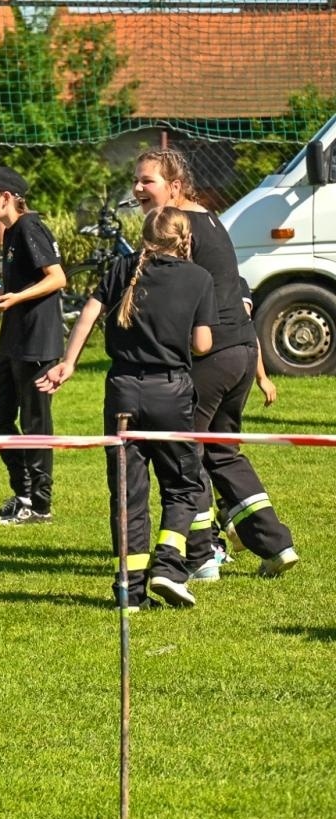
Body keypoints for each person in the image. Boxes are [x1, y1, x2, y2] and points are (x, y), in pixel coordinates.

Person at [37, 207, 215, 611]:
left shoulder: (121, 268)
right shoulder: (198, 278)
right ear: (184, 238)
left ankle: (129, 591)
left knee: (128, 494)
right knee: (184, 485)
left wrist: (69, 362)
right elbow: (203, 344)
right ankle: (168, 565)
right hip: (170, 392)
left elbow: (89, 313)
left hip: (121, 392)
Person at [132, 149, 297, 579]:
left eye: (147, 181)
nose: (137, 189)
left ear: (176, 185)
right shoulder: (209, 219)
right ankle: (275, 543)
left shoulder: (182, 230)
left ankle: (202, 555)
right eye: (137, 180)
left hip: (214, 355)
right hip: (240, 352)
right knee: (222, 452)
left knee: (186, 452)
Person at [0, 166, 66, 525]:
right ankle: (22, 494)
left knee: (36, 422)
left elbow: (56, 277)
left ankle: (39, 505)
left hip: (37, 341)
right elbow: (20, 282)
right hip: (14, 338)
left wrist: (15, 298)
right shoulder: (11, 234)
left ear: (6, 197)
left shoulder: (30, 228)